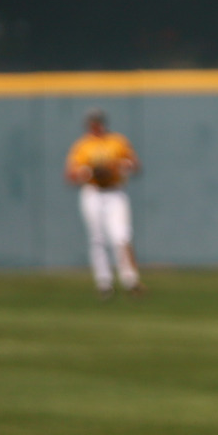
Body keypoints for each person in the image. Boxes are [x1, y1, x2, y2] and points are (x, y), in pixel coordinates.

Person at [63, 108, 143, 297]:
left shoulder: (117, 141)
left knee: (121, 236)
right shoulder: (82, 146)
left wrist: (117, 167)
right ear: (88, 125)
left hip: (115, 191)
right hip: (93, 192)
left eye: (98, 122)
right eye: (92, 123)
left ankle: (130, 280)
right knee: (97, 239)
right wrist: (90, 172)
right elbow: (70, 175)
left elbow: (135, 165)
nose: (96, 125)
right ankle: (104, 283)